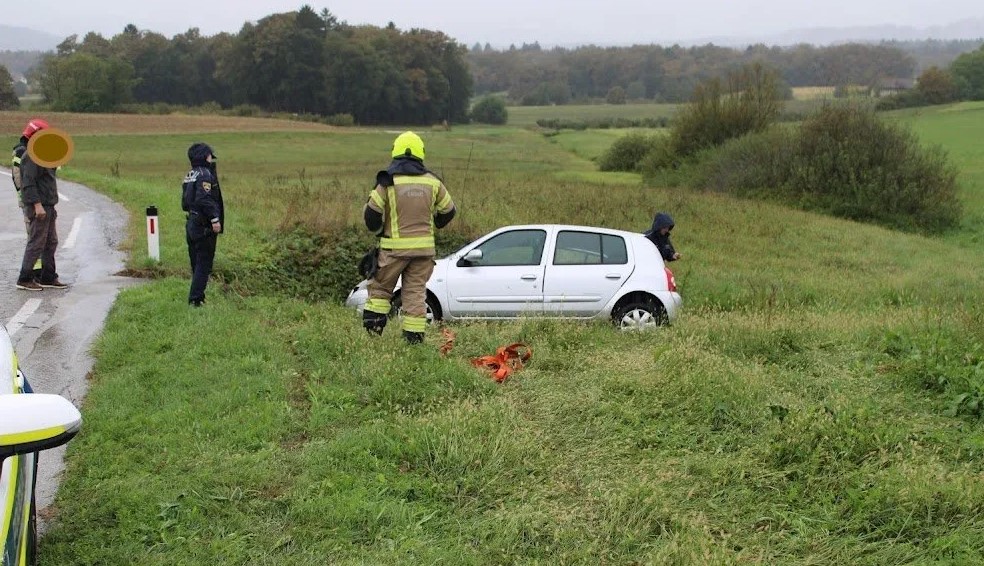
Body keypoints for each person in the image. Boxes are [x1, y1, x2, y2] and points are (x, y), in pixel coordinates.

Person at [361, 131, 456, 344]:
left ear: (395, 152)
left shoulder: (387, 181)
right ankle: (413, 342)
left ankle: (372, 338)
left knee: (380, 290)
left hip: (393, 251)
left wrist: (377, 229)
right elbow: (449, 211)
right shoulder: (433, 182)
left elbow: (371, 215)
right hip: (423, 253)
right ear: (420, 153)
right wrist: (436, 223)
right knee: (415, 295)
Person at [16, 119, 68, 291]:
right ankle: (24, 278)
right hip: (39, 206)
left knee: (51, 242)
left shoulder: (42, 154)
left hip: (49, 205)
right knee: (36, 242)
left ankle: (48, 277)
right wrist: (37, 205)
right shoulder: (31, 156)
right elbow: (29, 183)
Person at [181, 142, 224, 307]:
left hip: (191, 222)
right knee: (204, 263)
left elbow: (185, 202)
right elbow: (204, 198)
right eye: (209, 155)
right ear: (203, 156)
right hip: (203, 224)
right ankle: (196, 300)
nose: (211, 159)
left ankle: (197, 295)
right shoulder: (205, 174)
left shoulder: (190, 174)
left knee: (196, 262)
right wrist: (214, 219)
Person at [11, 119, 46, 281]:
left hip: (36, 199)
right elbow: (19, 178)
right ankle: (34, 273)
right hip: (30, 201)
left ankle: (40, 271)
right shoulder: (21, 152)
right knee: (34, 235)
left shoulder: (32, 150)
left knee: (40, 235)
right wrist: (31, 199)